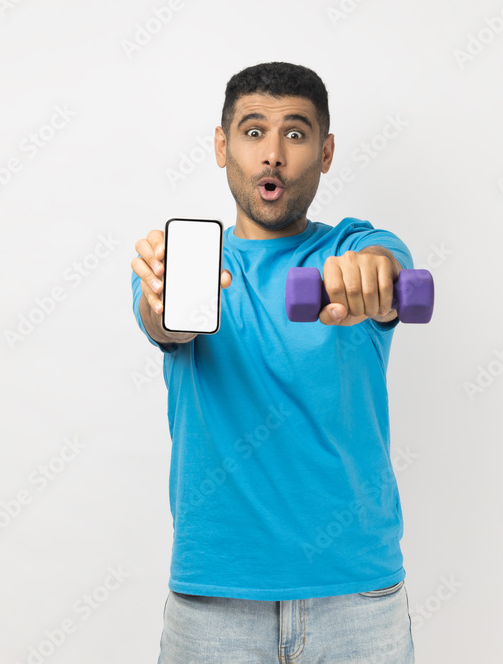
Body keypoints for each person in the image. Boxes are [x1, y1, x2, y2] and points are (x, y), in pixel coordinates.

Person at [131, 61, 416, 663]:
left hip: (356, 599)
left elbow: (386, 264)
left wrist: (373, 275)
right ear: (221, 145)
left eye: (296, 133)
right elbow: (162, 323)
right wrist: (159, 304)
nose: (273, 156)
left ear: (326, 151)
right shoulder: (185, 267)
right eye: (254, 132)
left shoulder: (350, 249)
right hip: (214, 601)